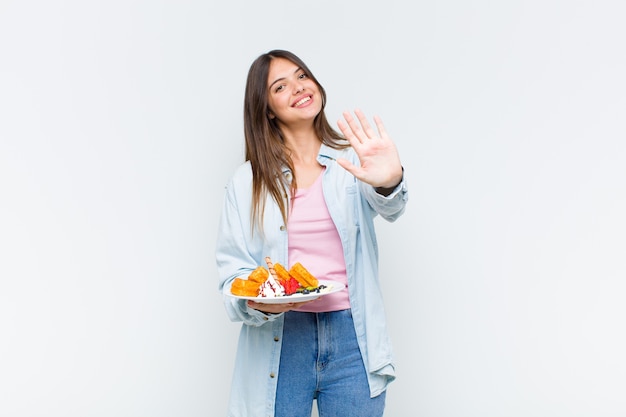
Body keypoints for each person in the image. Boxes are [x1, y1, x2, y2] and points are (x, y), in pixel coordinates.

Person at [215, 49, 408, 417]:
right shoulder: (245, 183)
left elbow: (392, 207)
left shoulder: (352, 163)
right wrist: (257, 300)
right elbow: (232, 277)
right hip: (282, 338)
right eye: (280, 86)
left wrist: (390, 181)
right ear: (267, 108)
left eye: (302, 76)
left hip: (353, 336)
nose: (299, 88)